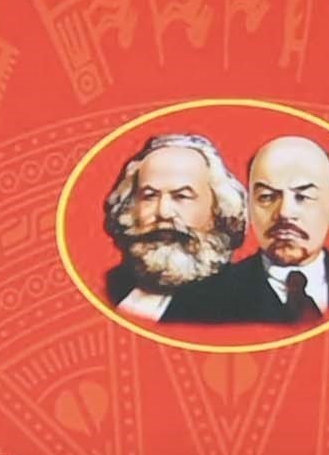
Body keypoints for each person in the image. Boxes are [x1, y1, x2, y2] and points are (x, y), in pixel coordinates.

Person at [178, 134, 329, 322]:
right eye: (267, 197)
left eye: (303, 197)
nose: (284, 212)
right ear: (249, 208)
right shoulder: (203, 300)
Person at [95, 128, 242, 321]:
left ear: (218, 210)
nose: (163, 212)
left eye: (181, 196)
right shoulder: (110, 287)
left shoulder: (241, 300)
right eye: (149, 196)